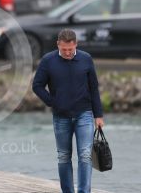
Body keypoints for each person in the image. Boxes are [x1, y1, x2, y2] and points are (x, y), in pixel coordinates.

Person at [32, 29, 104, 193]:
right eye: (64, 49)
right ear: (58, 44)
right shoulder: (48, 60)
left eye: (70, 49)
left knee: (85, 155)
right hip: (61, 117)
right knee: (64, 157)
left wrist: (98, 115)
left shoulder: (86, 59)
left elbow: (93, 88)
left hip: (84, 115)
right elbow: (37, 86)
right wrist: (53, 102)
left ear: (75, 44)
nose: (67, 53)